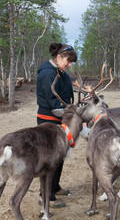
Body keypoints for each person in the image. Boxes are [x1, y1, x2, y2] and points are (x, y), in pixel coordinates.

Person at [36, 42, 77, 208]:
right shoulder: (47, 74)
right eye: (68, 61)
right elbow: (53, 103)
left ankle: (55, 186)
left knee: (60, 156)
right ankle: (47, 196)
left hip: (61, 119)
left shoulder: (61, 73)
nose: (69, 65)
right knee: (50, 159)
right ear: (58, 57)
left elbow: (68, 96)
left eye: (71, 62)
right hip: (49, 120)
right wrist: (72, 112)